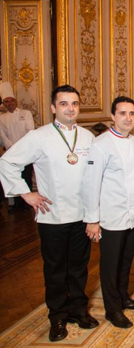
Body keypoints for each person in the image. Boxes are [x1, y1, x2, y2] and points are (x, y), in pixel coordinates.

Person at [0, 85, 97, 342]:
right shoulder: (39, 136)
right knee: (55, 270)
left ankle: (78, 310)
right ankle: (57, 317)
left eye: (74, 104)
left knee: (79, 268)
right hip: (52, 215)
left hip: (82, 216)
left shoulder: (88, 137)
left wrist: (95, 215)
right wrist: (25, 193)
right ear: (54, 108)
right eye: (64, 104)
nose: (70, 108)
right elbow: (7, 161)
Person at [83, 96, 134, 329]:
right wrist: (92, 220)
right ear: (112, 116)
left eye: (131, 113)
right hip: (111, 216)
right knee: (110, 265)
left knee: (126, 261)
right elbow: (91, 184)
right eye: (122, 113)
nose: (128, 118)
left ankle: (123, 297)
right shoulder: (101, 145)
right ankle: (112, 310)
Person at [0, 82, 35, 210]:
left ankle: (27, 203)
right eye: (6, 102)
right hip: (11, 152)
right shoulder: (2, 118)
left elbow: (30, 131)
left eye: (11, 101)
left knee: (26, 176)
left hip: (26, 151)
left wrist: (21, 147)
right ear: (4, 104)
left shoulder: (25, 113)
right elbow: (3, 135)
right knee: (13, 177)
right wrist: (12, 148)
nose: (9, 104)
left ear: (16, 101)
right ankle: (14, 203)